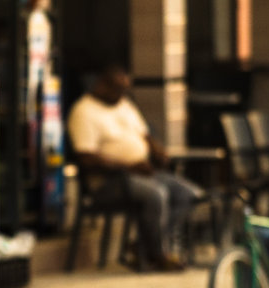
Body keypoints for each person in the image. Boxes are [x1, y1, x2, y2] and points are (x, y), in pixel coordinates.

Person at [66, 67, 198, 272]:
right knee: (157, 194)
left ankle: (142, 247)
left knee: (187, 194)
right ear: (102, 85)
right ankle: (157, 255)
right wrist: (129, 167)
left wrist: (157, 151)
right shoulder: (84, 111)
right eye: (118, 89)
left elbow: (144, 134)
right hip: (108, 182)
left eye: (125, 90)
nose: (122, 94)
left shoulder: (124, 105)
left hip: (142, 172)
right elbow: (86, 157)